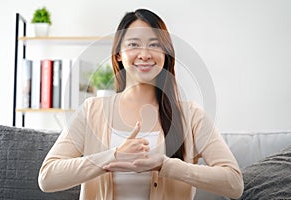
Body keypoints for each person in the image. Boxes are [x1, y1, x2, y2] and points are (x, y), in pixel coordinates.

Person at [38, 8, 244, 200]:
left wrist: (166, 165)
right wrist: (114, 156)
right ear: (118, 54)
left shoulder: (191, 115)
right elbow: (47, 178)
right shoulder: (93, 110)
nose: (144, 54)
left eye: (154, 45)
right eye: (134, 44)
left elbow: (234, 183)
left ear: (166, 53)